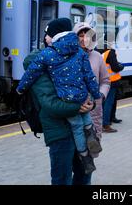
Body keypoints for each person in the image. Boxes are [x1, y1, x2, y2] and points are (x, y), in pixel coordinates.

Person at [17, 18, 102, 175]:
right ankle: (90, 135)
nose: (45, 37)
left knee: (69, 178)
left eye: (47, 34)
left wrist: (20, 89)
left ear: (52, 37)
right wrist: (93, 98)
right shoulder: (78, 52)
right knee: (72, 177)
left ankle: (84, 154)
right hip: (61, 129)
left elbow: (32, 79)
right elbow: (88, 78)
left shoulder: (46, 56)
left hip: (65, 119)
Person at [73, 22, 111, 156]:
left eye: (87, 36)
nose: (84, 39)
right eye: (80, 36)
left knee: (91, 151)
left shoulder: (97, 57)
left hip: (94, 109)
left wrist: (100, 95)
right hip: (75, 109)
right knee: (75, 151)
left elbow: (105, 81)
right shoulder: (68, 56)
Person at [99, 47, 124, 133]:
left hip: (103, 80)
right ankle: (105, 124)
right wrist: (121, 66)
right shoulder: (110, 52)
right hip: (112, 81)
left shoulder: (99, 52)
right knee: (109, 102)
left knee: (108, 102)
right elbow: (115, 67)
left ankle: (112, 118)